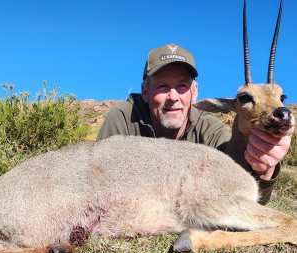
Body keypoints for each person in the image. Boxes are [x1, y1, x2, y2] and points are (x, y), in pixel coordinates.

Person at [97, 43, 291, 205]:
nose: (173, 97)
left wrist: (265, 171)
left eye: (182, 86)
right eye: (162, 86)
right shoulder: (122, 117)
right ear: (145, 92)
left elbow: (241, 200)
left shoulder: (211, 130)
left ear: (195, 92)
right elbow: (99, 178)